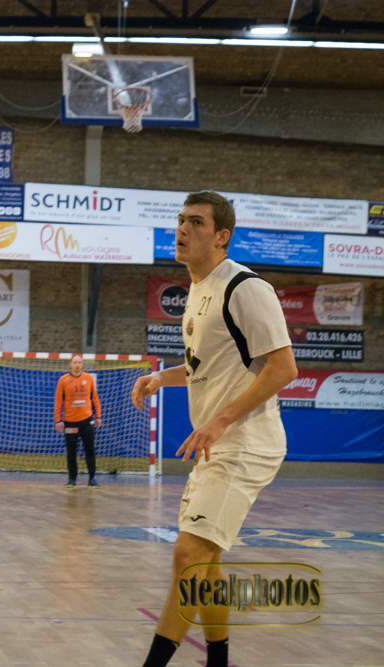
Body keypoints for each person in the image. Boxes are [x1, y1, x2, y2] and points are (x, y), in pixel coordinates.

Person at [130, 192, 296, 667]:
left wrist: (220, 419)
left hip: (246, 444)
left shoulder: (245, 287)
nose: (182, 229)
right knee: (207, 562)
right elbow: (207, 366)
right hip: (219, 446)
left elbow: (283, 368)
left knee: (188, 554)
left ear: (222, 236)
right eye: (181, 220)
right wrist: (162, 377)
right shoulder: (198, 289)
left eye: (196, 222)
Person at [54, 355, 101, 488]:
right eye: (75, 362)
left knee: (90, 449)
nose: (77, 365)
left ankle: (92, 478)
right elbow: (58, 401)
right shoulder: (63, 380)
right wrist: (58, 420)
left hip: (87, 421)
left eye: (79, 362)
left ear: (82, 364)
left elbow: (95, 399)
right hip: (70, 422)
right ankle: (72, 479)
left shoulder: (88, 378)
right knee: (71, 451)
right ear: (71, 364)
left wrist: (98, 416)